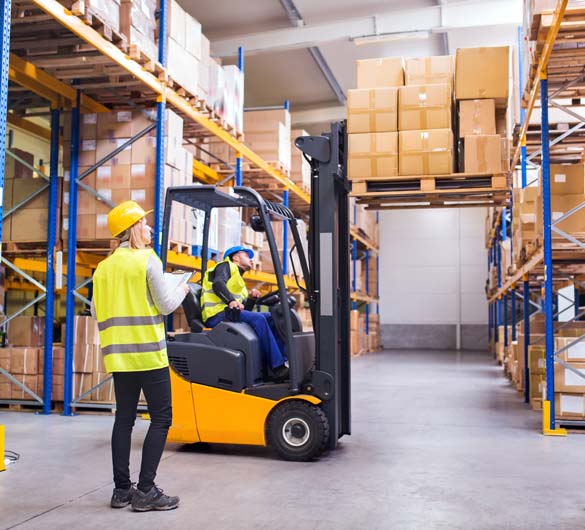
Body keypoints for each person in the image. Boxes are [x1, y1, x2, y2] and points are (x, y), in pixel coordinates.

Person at [91, 200, 189, 512]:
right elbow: (165, 304)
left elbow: (95, 310)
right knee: (162, 419)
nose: (148, 228)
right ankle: (146, 490)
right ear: (133, 228)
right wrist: (184, 289)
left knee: (124, 419)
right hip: (148, 354)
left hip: (119, 357)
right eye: (144, 224)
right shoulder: (147, 260)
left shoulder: (103, 269)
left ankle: (122, 491)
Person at [201, 246, 289, 381]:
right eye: (247, 256)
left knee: (273, 317)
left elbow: (244, 310)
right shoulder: (225, 266)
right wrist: (230, 301)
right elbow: (218, 283)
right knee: (259, 319)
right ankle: (277, 368)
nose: (251, 259)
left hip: (229, 314)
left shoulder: (239, 280)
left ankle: (284, 360)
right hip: (216, 315)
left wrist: (252, 299)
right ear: (235, 257)